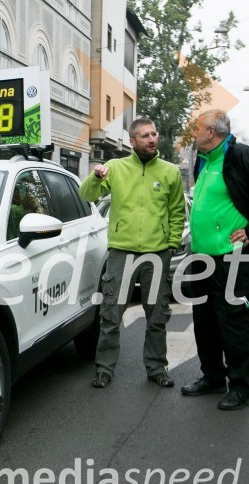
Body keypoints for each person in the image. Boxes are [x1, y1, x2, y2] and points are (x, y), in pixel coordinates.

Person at [181, 109, 249, 410]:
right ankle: (213, 377)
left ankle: (241, 386)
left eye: (197, 128)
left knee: (233, 322)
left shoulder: (243, 157)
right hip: (203, 257)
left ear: (211, 132)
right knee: (204, 322)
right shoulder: (204, 160)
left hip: (231, 258)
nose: (193, 133)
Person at [79, 117, 185, 389]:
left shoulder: (170, 172)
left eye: (154, 134)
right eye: (145, 136)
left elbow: (176, 212)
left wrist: (172, 243)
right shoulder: (115, 167)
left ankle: (156, 368)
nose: (152, 139)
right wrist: (96, 175)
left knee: (158, 315)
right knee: (111, 314)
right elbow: (87, 195)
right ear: (132, 141)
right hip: (121, 253)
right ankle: (104, 368)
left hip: (157, 254)